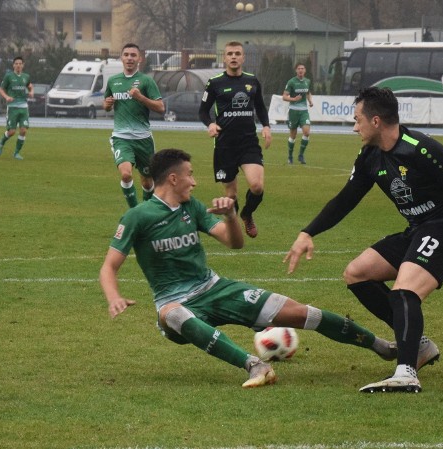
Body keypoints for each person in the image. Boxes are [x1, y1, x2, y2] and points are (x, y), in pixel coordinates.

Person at [284, 87, 443, 394]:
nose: (355, 127)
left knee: (405, 291)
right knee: (357, 273)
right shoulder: (370, 156)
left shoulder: (421, 148)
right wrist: (308, 232)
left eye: (358, 120)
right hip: (419, 228)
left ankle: (406, 372)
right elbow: (346, 200)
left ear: (377, 121)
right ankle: (418, 345)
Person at [99, 148, 410, 389]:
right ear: (173, 178)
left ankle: (381, 346)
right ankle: (254, 365)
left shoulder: (190, 207)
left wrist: (232, 216)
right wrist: (114, 296)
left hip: (215, 288)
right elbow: (109, 267)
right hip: (174, 302)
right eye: (191, 175)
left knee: (303, 313)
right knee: (175, 314)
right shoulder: (138, 217)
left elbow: (234, 243)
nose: (195, 181)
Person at [199, 41, 271, 239]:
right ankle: (235, 225)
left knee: (257, 186)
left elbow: (261, 108)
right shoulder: (215, 83)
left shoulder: (252, 81)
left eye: (237, 53)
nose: (233, 56)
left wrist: (266, 126)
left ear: (243, 57)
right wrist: (210, 125)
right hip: (225, 145)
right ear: (224, 57)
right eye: (230, 53)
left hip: (248, 143)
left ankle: (247, 214)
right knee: (230, 196)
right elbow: (203, 111)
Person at [104, 43, 164, 208]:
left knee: (147, 181)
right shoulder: (113, 81)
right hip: (121, 137)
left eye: (133, 55)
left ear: (140, 59)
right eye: (126, 55)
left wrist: (141, 98)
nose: (129, 58)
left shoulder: (146, 81)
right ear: (121, 58)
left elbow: (161, 108)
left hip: (143, 139)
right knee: (125, 174)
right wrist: (108, 105)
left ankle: (146, 210)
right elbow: (107, 104)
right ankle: (134, 212)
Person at [0, 56, 33, 160]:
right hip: (12, 108)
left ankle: (16, 153)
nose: (18, 65)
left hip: (24, 107)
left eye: (20, 63)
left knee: (23, 131)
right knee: (12, 132)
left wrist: (31, 92)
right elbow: (0, 90)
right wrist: (7, 97)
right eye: (16, 63)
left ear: (23, 65)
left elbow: (30, 86)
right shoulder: (9, 76)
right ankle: (1, 143)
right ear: (13, 65)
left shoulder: (26, 76)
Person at [282, 62, 313, 165]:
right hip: (293, 111)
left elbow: (308, 92)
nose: (301, 70)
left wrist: (310, 101)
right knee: (293, 135)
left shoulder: (307, 81)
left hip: (304, 111)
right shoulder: (291, 82)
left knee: (307, 132)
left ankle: (301, 155)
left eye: (302, 68)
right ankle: (290, 156)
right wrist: (293, 98)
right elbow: (284, 96)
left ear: (305, 70)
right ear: (296, 70)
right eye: (299, 68)